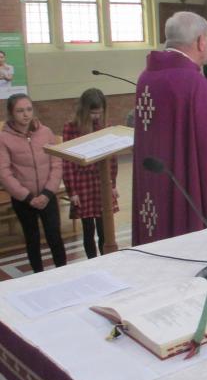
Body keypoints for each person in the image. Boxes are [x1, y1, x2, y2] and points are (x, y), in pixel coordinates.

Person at [132, 11, 207, 244]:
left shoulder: (146, 77)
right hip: (183, 183)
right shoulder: (192, 82)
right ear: (201, 41)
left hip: (154, 185)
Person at [0, 94, 66, 272]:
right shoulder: (3, 138)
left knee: (54, 235)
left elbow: (57, 163)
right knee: (32, 238)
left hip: (48, 195)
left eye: (28, 109)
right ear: (11, 113)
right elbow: (4, 173)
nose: (25, 114)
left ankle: (63, 271)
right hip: (24, 199)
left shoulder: (46, 132)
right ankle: (38, 275)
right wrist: (28, 197)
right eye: (20, 111)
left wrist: (47, 193)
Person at [62, 89, 118, 258]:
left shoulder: (106, 127)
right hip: (82, 184)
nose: (96, 117)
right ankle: (92, 261)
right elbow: (68, 162)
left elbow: (112, 158)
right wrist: (72, 191)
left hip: (101, 183)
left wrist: (113, 184)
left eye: (99, 113)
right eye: (92, 113)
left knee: (104, 229)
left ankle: (106, 259)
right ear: (84, 110)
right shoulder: (71, 128)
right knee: (88, 230)